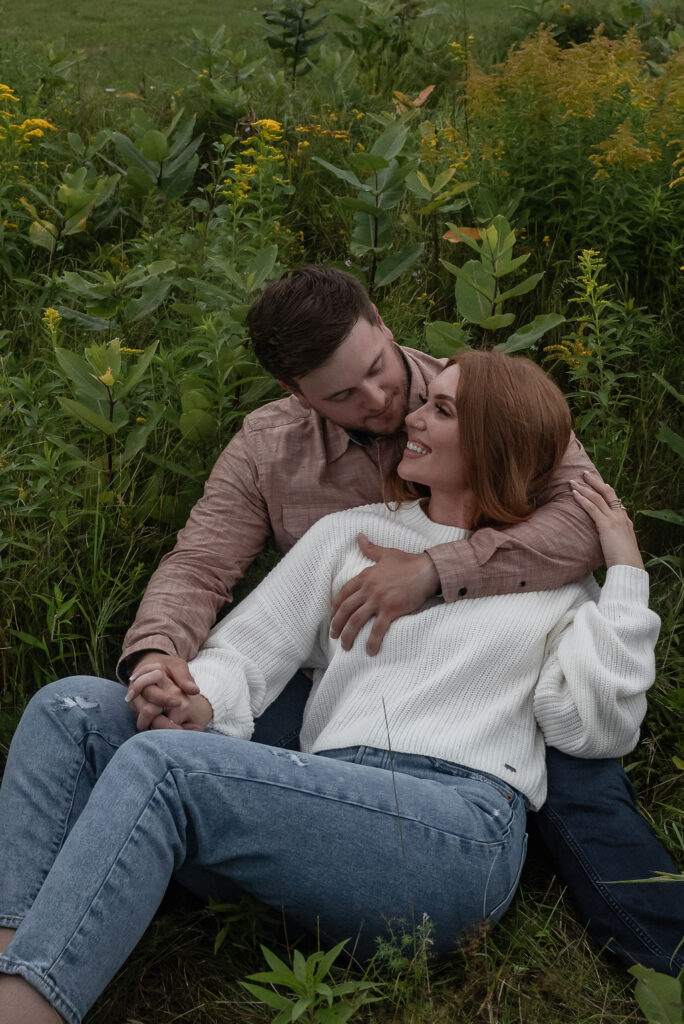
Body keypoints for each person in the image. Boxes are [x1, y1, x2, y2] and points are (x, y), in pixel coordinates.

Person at [0, 353, 662, 1024]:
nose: (412, 417)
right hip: (320, 799)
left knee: (163, 767)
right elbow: (244, 656)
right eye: (424, 401)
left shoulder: (546, 576)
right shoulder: (351, 535)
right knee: (70, 707)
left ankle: (26, 1010)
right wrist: (195, 699)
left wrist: (625, 574)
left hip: (457, 832)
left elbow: (595, 728)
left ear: (495, 438)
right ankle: (9, 954)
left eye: (442, 409)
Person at [121, 266, 683, 974]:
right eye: (345, 396)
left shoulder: (480, 394)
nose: (384, 400)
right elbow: (199, 565)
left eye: (380, 370)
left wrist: (433, 571)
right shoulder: (267, 448)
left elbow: (583, 522)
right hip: (342, 671)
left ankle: (666, 960)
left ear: (382, 323)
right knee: (183, 729)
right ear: (298, 394)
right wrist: (155, 655)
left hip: (494, 665)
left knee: (583, 782)